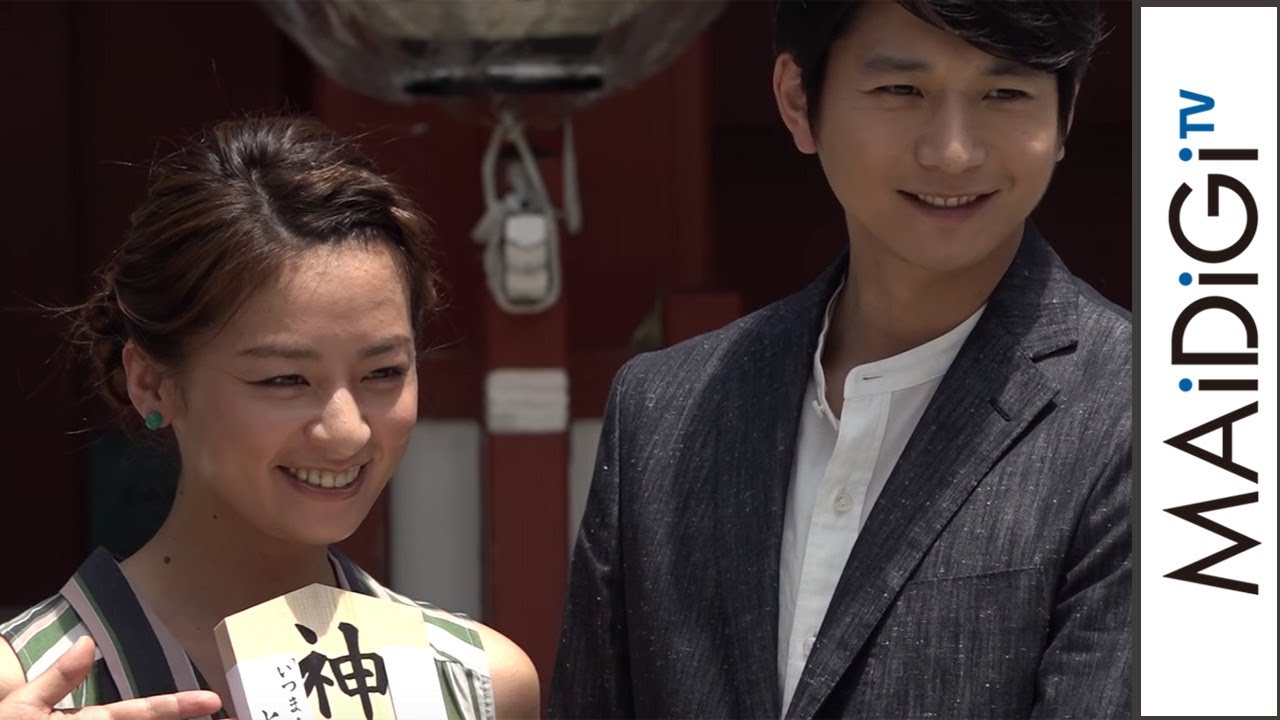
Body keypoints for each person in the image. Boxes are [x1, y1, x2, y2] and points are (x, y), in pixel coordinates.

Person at [551, 1, 1129, 718]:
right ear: (799, 101)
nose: (952, 151)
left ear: (1065, 115)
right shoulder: (663, 411)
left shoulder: (1150, 421)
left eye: (1005, 93)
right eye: (901, 89)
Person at [0, 117, 539, 720]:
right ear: (152, 382)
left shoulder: (476, 686)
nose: (347, 431)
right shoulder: (25, 689)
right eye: (285, 379)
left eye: (384, 372)